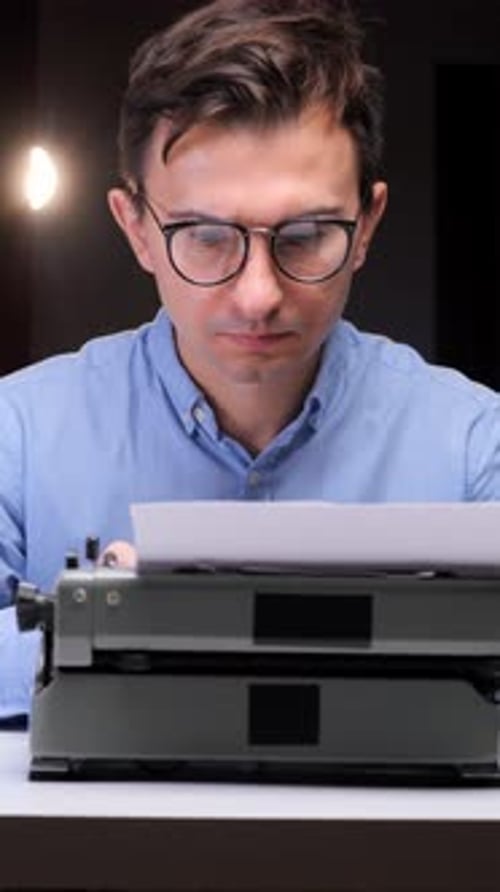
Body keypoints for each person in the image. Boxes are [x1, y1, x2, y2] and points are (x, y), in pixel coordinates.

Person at [1, 0, 500, 721]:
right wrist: (96, 630)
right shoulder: (16, 436)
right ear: (136, 229)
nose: (258, 295)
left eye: (305, 235)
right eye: (205, 236)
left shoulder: (474, 445)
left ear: (366, 226)